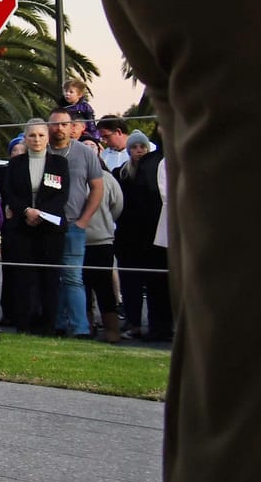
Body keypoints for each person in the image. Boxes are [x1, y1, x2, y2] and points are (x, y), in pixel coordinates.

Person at [0, 119, 69, 336]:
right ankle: (24, 325)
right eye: (32, 135)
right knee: (23, 279)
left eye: (40, 135)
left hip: (50, 230)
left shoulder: (59, 164)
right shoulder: (16, 164)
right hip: (22, 228)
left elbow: (61, 195)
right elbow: (10, 193)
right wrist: (27, 211)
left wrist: (40, 213)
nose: (36, 139)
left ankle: (47, 326)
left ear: (47, 138)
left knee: (49, 279)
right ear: (25, 138)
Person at [47, 110, 109, 337]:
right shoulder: (41, 151)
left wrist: (83, 220)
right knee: (51, 277)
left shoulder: (84, 153)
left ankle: (80, 328)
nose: (59, 129)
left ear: (72, 126)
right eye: (55, 124)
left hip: (73, 226)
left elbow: (97, 188)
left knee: (73, 277)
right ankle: (56, 325)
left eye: (64, 124)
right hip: (46, 226)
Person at [115, 132, 171, 343]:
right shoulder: (122, 173)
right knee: (134, 283)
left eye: (143, 146)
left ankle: (161, 326)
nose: (139, 150)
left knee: (158, 283)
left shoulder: (158, 165)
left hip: (153, 236)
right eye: (135, 147)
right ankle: (135, 323)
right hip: (131, 236)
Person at [82, 156, 127, 343]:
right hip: (78, 242)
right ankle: (86, 326)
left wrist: (106, 224)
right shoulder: (75, 178)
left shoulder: (108, 179)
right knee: (81, 287)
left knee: (105, 287)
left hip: (102, 240)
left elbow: (117, 206)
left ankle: (111, 329)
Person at [55, 77, 97, 142]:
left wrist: (94, 138)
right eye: (66, 91)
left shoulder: (85, 106)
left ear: (79, 95)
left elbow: (91, 123)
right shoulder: (61, 108)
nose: (67, 94)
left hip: (83, 134)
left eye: (71, 92)